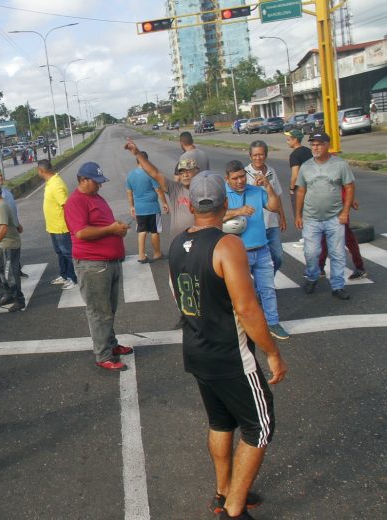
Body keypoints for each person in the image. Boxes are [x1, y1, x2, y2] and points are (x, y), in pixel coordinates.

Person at [168, 171, 287, 520]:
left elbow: (179, 298)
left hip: (197, 347)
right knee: (259, 427)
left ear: (191, 206)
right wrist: (272, 352)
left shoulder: (176, 244)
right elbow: (247, 309)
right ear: (224, 206)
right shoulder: (227, 245)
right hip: (230, 355)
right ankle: (234, 509)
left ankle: (223, 493)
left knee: (220, 422)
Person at [63, 162, 133, 371]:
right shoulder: (75, 201)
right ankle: (103, 354)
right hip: (93, 264)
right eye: (96, 182)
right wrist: (112, 229)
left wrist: (117, 227)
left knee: (108, 309)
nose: (100, 185)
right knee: (98, 312)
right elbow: (81, 232)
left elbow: (103, 223)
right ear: (83, 180)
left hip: (109, 263)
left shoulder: (96, 197)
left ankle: (111, 343)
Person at [223, 160, 290, 340]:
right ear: (227, 179)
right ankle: (239, 325)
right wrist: (237, 211)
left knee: (268, 289)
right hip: (237, 253)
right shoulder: (222, 194)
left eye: (242, 176)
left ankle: (273, 323)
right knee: (239, 293)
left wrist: (268, 186)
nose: (240, 181)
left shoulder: (256, 191)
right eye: (235, 178)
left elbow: (274, 207)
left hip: (261, 249)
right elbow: (215, 217)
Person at [295, 131, 356, 300]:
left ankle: (338, 286)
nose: (315, 148)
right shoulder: (306, 166)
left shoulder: (340, 164)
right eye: (313, 145)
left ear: (327, 145)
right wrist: (298, 214)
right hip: (311, 218)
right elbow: (301, 190)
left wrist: (345, 212)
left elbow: (350, 187)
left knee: (337, 254)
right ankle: (312, 276)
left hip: (335, 217)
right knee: (311, 253)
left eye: (319, 144)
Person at [244, 141, 286, 272]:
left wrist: (282, 217)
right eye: (255, 155)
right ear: (250, 156)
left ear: (266, 155)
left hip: (272, 223)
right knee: (254, 260)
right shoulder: (245, 174)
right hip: (254, 224)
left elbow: (277, 196)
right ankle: (262, 282)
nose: (258, 158)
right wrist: (255, 187)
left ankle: (267, 279)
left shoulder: (271, 171)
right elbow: (243, 198)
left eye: (261, 155)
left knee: (278, 256)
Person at [36, 159, 77, 289]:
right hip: (53, 227)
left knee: (67, 253)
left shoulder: (56, 184)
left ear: (41, 170)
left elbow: (66, 206)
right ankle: (64, 275)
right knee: (60, 252)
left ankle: (72, 278)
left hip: (61, 227)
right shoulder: (51, 182)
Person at [0, 182, 24, 312]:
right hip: (2, 245)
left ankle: (19, 300)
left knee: (10, 273)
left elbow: (3, 228)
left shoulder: (1, 206)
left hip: (9, 245)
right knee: (1, 270)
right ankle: (9, 294)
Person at [125, 150, 169, 263]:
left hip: (139, 209)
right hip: (152, 208)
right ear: (146, 161)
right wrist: (164, 203)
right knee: (155, 231)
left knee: (142, 231)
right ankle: (157, 253)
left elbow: (129, 193)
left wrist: (132, 206)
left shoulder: (130, 175)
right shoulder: (150, 174)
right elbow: (158, 190)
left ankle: (141, 256)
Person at [285, 128, 313, 247]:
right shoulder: (308, 151)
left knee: (299, 212)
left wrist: (292, 189)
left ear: (295, 140)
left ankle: (307, 238)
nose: (287, 141)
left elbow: (295, 175)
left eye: (289, 139)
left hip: (300, 188)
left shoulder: (294, 155)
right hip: (312, 186)